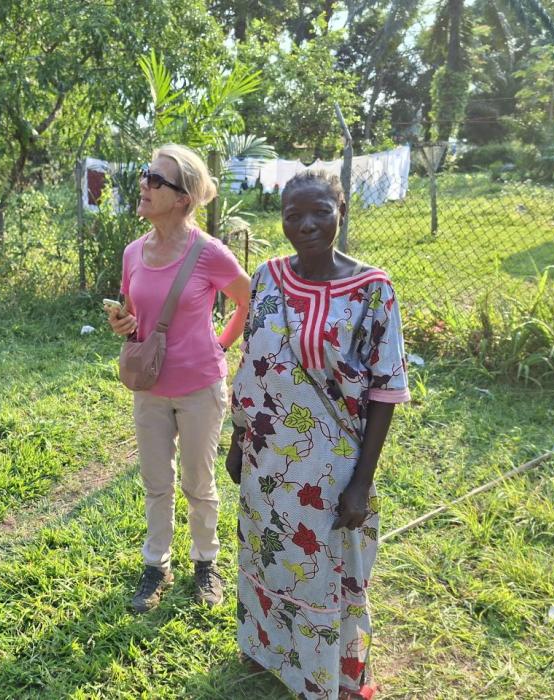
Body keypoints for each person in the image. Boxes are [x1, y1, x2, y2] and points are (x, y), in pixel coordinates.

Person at [226, 171, 409, 699]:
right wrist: (237, 440)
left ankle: (326, 675)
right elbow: (252, 363)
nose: (306, 225)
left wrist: (361, 482)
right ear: (282, 221)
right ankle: (267, 649)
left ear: (341, 212)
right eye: (293, 216)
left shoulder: (372, 290)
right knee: (266, 551)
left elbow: (385, 390)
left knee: (321, 568)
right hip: (265, 455)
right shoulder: (267, 276)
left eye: (320, 212)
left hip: (328, 465)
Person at [107, 144, 251, 614]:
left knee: (198, 483)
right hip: (149, 388)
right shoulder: (133, 252)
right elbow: (135, 312)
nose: (144, 185)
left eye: (156, 180)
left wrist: (221, 344)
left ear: (183, 198)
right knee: (156, 482)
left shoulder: (209, 253)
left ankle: (205, 562)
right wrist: (124, 323)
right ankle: (156, 565)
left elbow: (249, 300)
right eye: (145, 175)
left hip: (198, 388)